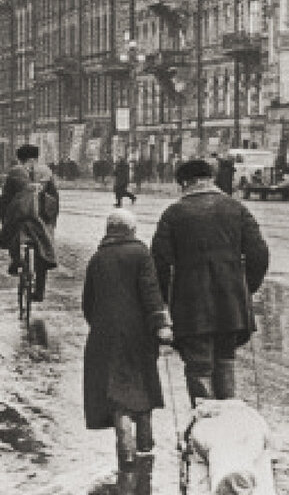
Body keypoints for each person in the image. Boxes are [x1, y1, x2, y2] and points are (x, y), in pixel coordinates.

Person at [151, 159, 269, 403]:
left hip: (191, 305)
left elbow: (159, 262)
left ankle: (204, 422)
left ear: (185, 183)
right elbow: (259, 253)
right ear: (210, 179)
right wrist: (246, 288)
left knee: (198, 365)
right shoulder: (236, 208)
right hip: (231, 303)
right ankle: (226, 421)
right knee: (225, 360)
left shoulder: (174, 213)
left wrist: (165, 301)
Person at [82, 209, 172, 470]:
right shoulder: (140, 253)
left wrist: (101, 326)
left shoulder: (97, 259)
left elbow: (88, 302)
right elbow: (151, 293)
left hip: (105, 334)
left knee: (117, 391)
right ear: (132, 230)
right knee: (142, 384)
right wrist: (160, 324)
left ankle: (126, 450)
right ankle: (145, 445)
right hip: (139, 332)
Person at [0, 144, 59, 301]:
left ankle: (16, 261)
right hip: (42, 219)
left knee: (13, 235)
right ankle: (39, 292)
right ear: (36, 157)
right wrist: (51, 221)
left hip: (22, 219)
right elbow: (54, 197)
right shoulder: (46, 172)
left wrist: (4, 219)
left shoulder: (14, 172)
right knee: (43, 250)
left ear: (20, 158)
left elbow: (5, 199)